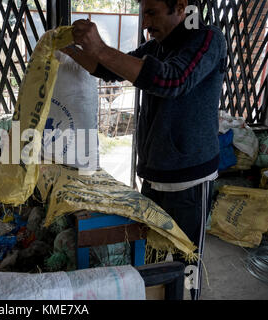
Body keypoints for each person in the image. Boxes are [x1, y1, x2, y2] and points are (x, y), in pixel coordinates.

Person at [61, 0, 227, 300]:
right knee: (149, 257)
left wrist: (100, 48)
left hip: (189, 181)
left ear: (180, 6)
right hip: (153, 177)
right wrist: (68, 48)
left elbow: (173, 80)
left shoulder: (207, 39)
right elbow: (110, 70)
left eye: (152, 12)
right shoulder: (157, 45)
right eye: (143, 13)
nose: (145, 23)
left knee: (186, 261)